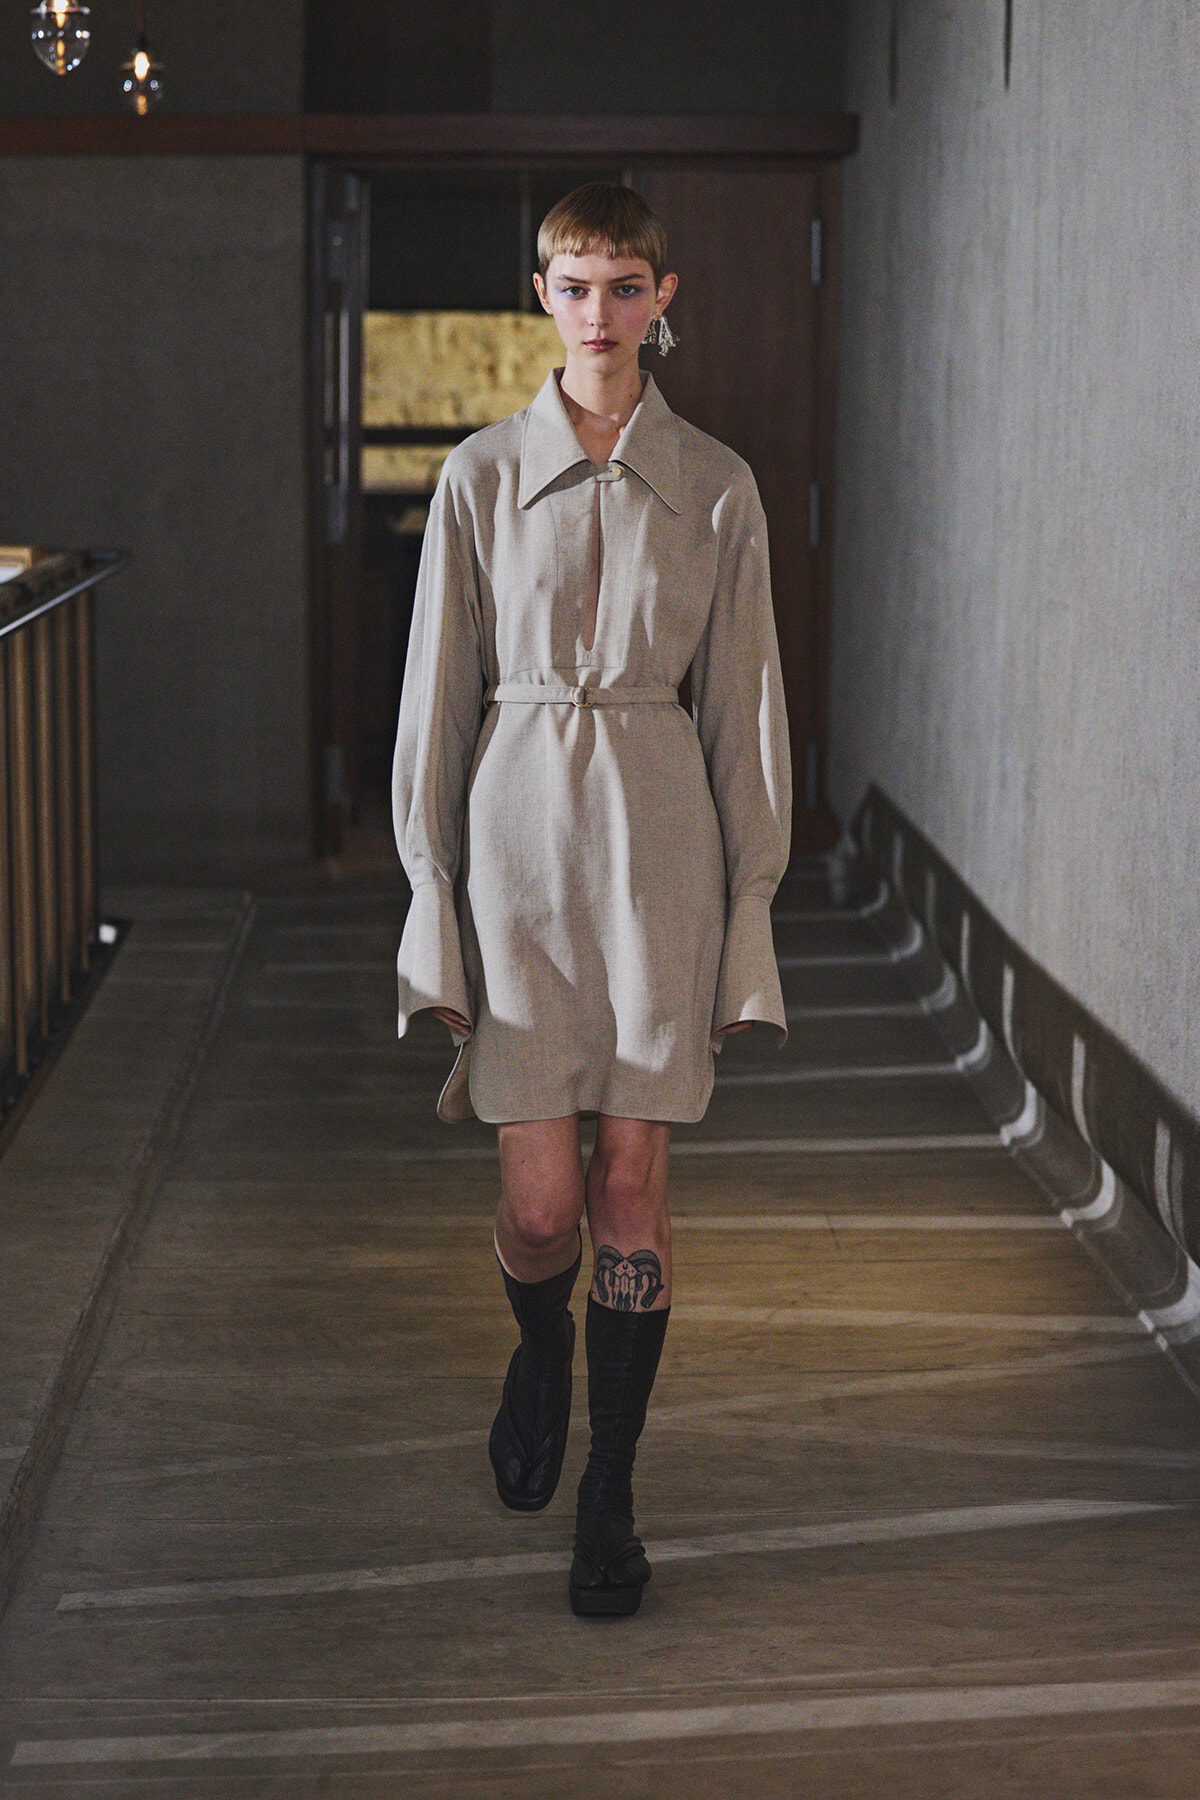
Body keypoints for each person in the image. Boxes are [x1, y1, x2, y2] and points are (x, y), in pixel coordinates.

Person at [392, 182, 790, 1617]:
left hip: (659, 853)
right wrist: (427, 899)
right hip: (514, 852)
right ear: (541, 295)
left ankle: (611, 1493)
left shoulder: (719, 485)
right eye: (575, 285)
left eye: (627, 285)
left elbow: (744, 716)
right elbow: (434, 703)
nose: (601, 313)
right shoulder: (482, 476)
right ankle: (533, 1342)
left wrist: (751, 926)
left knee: (633, 1180)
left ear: (664, 298)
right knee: (544, 1203)